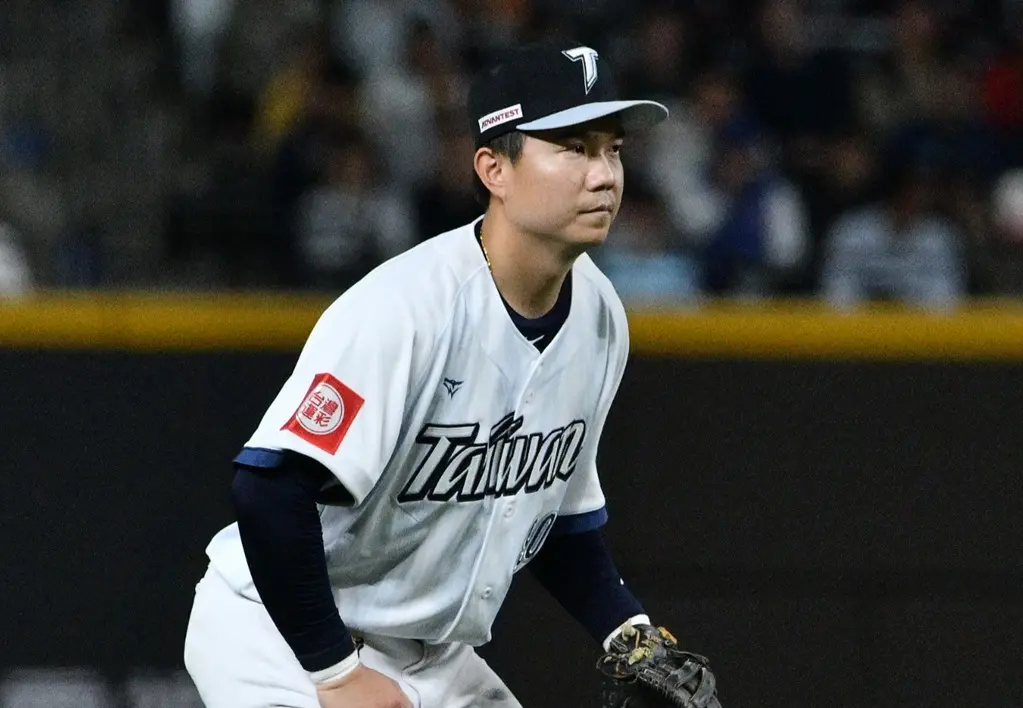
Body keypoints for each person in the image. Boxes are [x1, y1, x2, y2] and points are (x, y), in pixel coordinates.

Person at [184, 40, 709, 707]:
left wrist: (628, 634)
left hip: (434, 654)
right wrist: (336, 675)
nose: (603, 175)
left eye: (613, 150)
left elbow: (557, 522)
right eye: (573, 148)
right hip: (280, 632)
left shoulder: (600, 317)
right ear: (494, 169)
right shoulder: (406, 309)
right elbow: (268, 490)